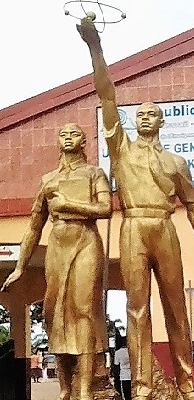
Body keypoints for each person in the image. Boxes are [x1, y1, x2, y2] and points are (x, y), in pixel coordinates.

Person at [77, 18, 194, 400]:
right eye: (142, 113)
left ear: (162, 122)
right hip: (133, 225)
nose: (146, 116)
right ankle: (144, 386)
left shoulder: (176, 164)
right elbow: (107, 96)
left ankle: (186, 382)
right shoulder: (122, 149)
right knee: (137, 309)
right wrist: (95, 47)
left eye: (153, 113)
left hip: (164, 228)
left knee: (176, 307)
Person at [1, 123, 112, 400]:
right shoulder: (48, 179)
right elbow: (34, 227)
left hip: (86, 240)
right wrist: (19, 266)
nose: (68, 138)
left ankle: (85, 389)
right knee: (55, 313)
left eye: (74, 134)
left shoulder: (94, 173)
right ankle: (65, 387)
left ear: (84, 141)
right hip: (58, 245)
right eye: (63, 134)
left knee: (84, 308)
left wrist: (69, 206)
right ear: (58, 142)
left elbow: (105, 208)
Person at [113, 334, 132, 400]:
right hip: (132, 375)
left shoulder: (118, 352)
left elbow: (116, 365)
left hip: (123, 376)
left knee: (125, 395)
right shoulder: (131, 351)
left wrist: (116, 377)